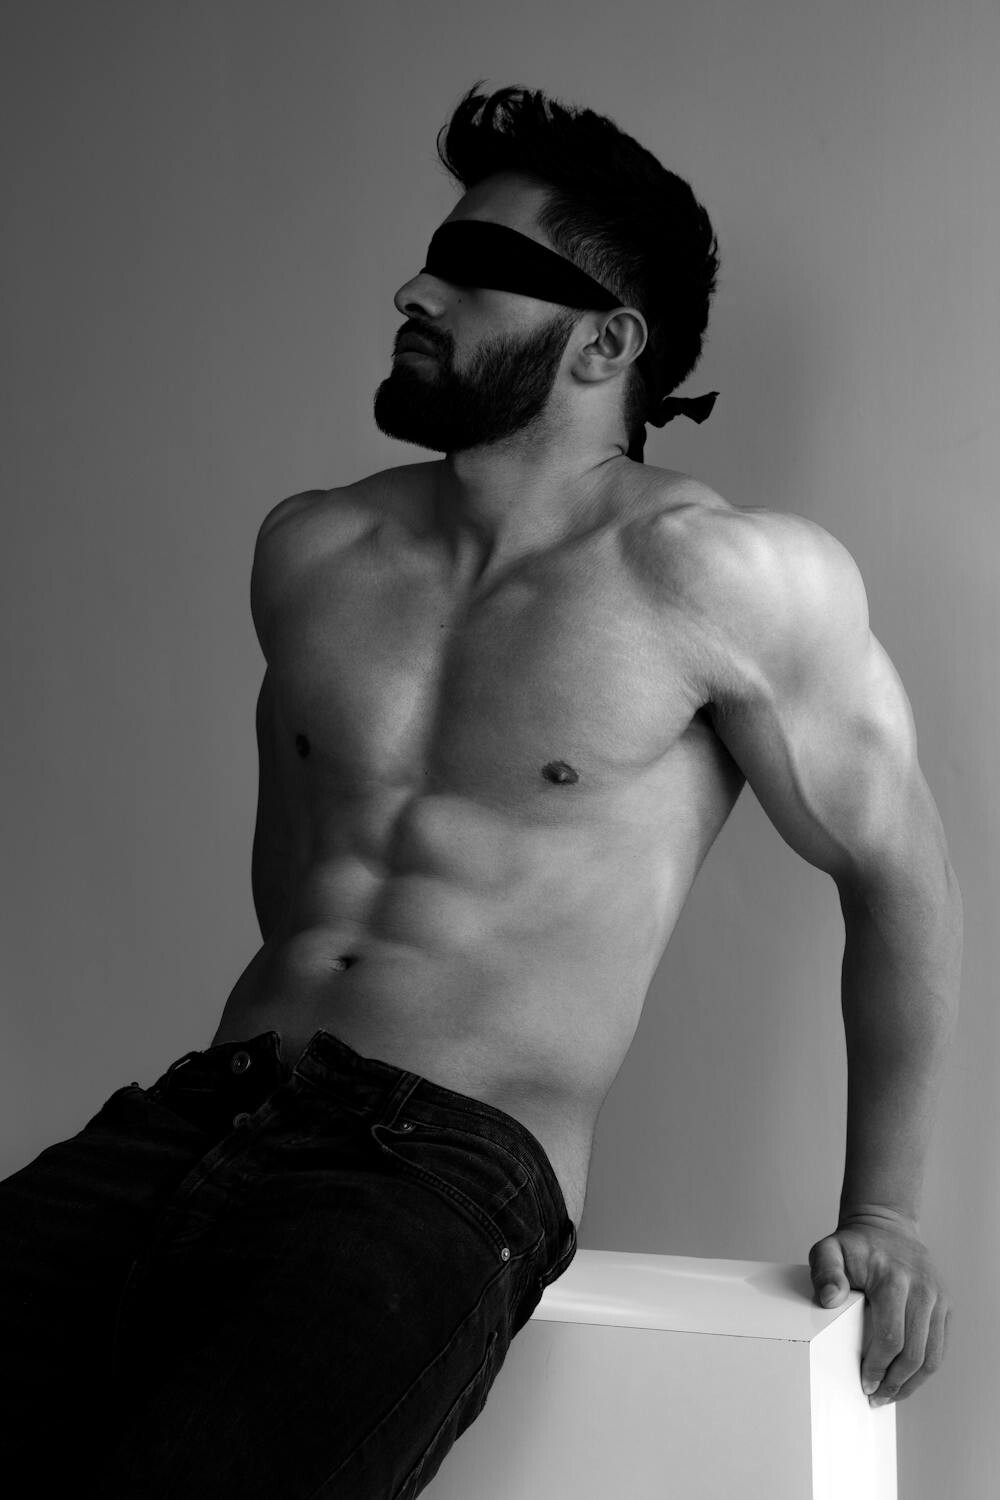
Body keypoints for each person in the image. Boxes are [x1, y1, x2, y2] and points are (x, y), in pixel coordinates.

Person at [0, 81, 961, 1498]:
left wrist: (884, 1208)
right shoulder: (315, 553)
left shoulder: (721, 578)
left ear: (607, 342)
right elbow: (302, 873)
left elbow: (900, 878)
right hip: (198, 1109)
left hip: (439, 1164)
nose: (416, 290)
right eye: (430, 258)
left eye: (477, 267)